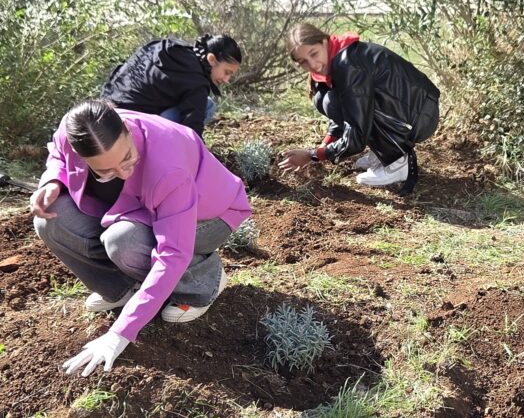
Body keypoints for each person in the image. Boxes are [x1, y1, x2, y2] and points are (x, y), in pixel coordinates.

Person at [30, 99, 252, 377]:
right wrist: (52, 181)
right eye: (106, 171)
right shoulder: (76, 129)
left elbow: (172, 252)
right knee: (49, 218)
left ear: (125, 129)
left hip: (209, 216)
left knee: (125, 242)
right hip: (137, 208)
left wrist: (120, 333)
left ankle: (204, 281)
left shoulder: (168, 163)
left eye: (126, 158)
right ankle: (122, 289)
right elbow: (58, 155)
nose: (123, 173)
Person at [278, 23, 440, 193]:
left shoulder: (348, 64)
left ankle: (397, 162)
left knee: (334, 103)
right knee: (325, 99)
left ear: (324, 42)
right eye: (304, 62)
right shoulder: (337, 58)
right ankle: (384, 152)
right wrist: (324, 146)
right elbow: (344, 111)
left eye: (314, 54)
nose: (313, 65)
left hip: (420, 117)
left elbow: (356, 135)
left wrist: (312, 155)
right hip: (410, 112)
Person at [100, 34, 242, 137]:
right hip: (130, 127)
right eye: (226, 72)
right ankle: (162, 149)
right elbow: (192, 129)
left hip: (105, 111)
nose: (226, 80)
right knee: (208, 105)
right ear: (211, 59)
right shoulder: (197, 81)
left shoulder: (168, 47)